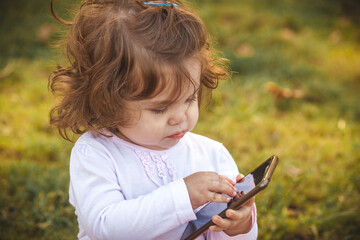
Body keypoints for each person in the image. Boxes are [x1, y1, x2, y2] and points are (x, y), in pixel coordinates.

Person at [49, 0, 257, 239]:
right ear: (107, 101)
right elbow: (105, 227)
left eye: (190, 99)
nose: (180, 117)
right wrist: (183, 196)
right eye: (160, 109)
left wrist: (240, 226)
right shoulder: (96, 154)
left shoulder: (211, 154)